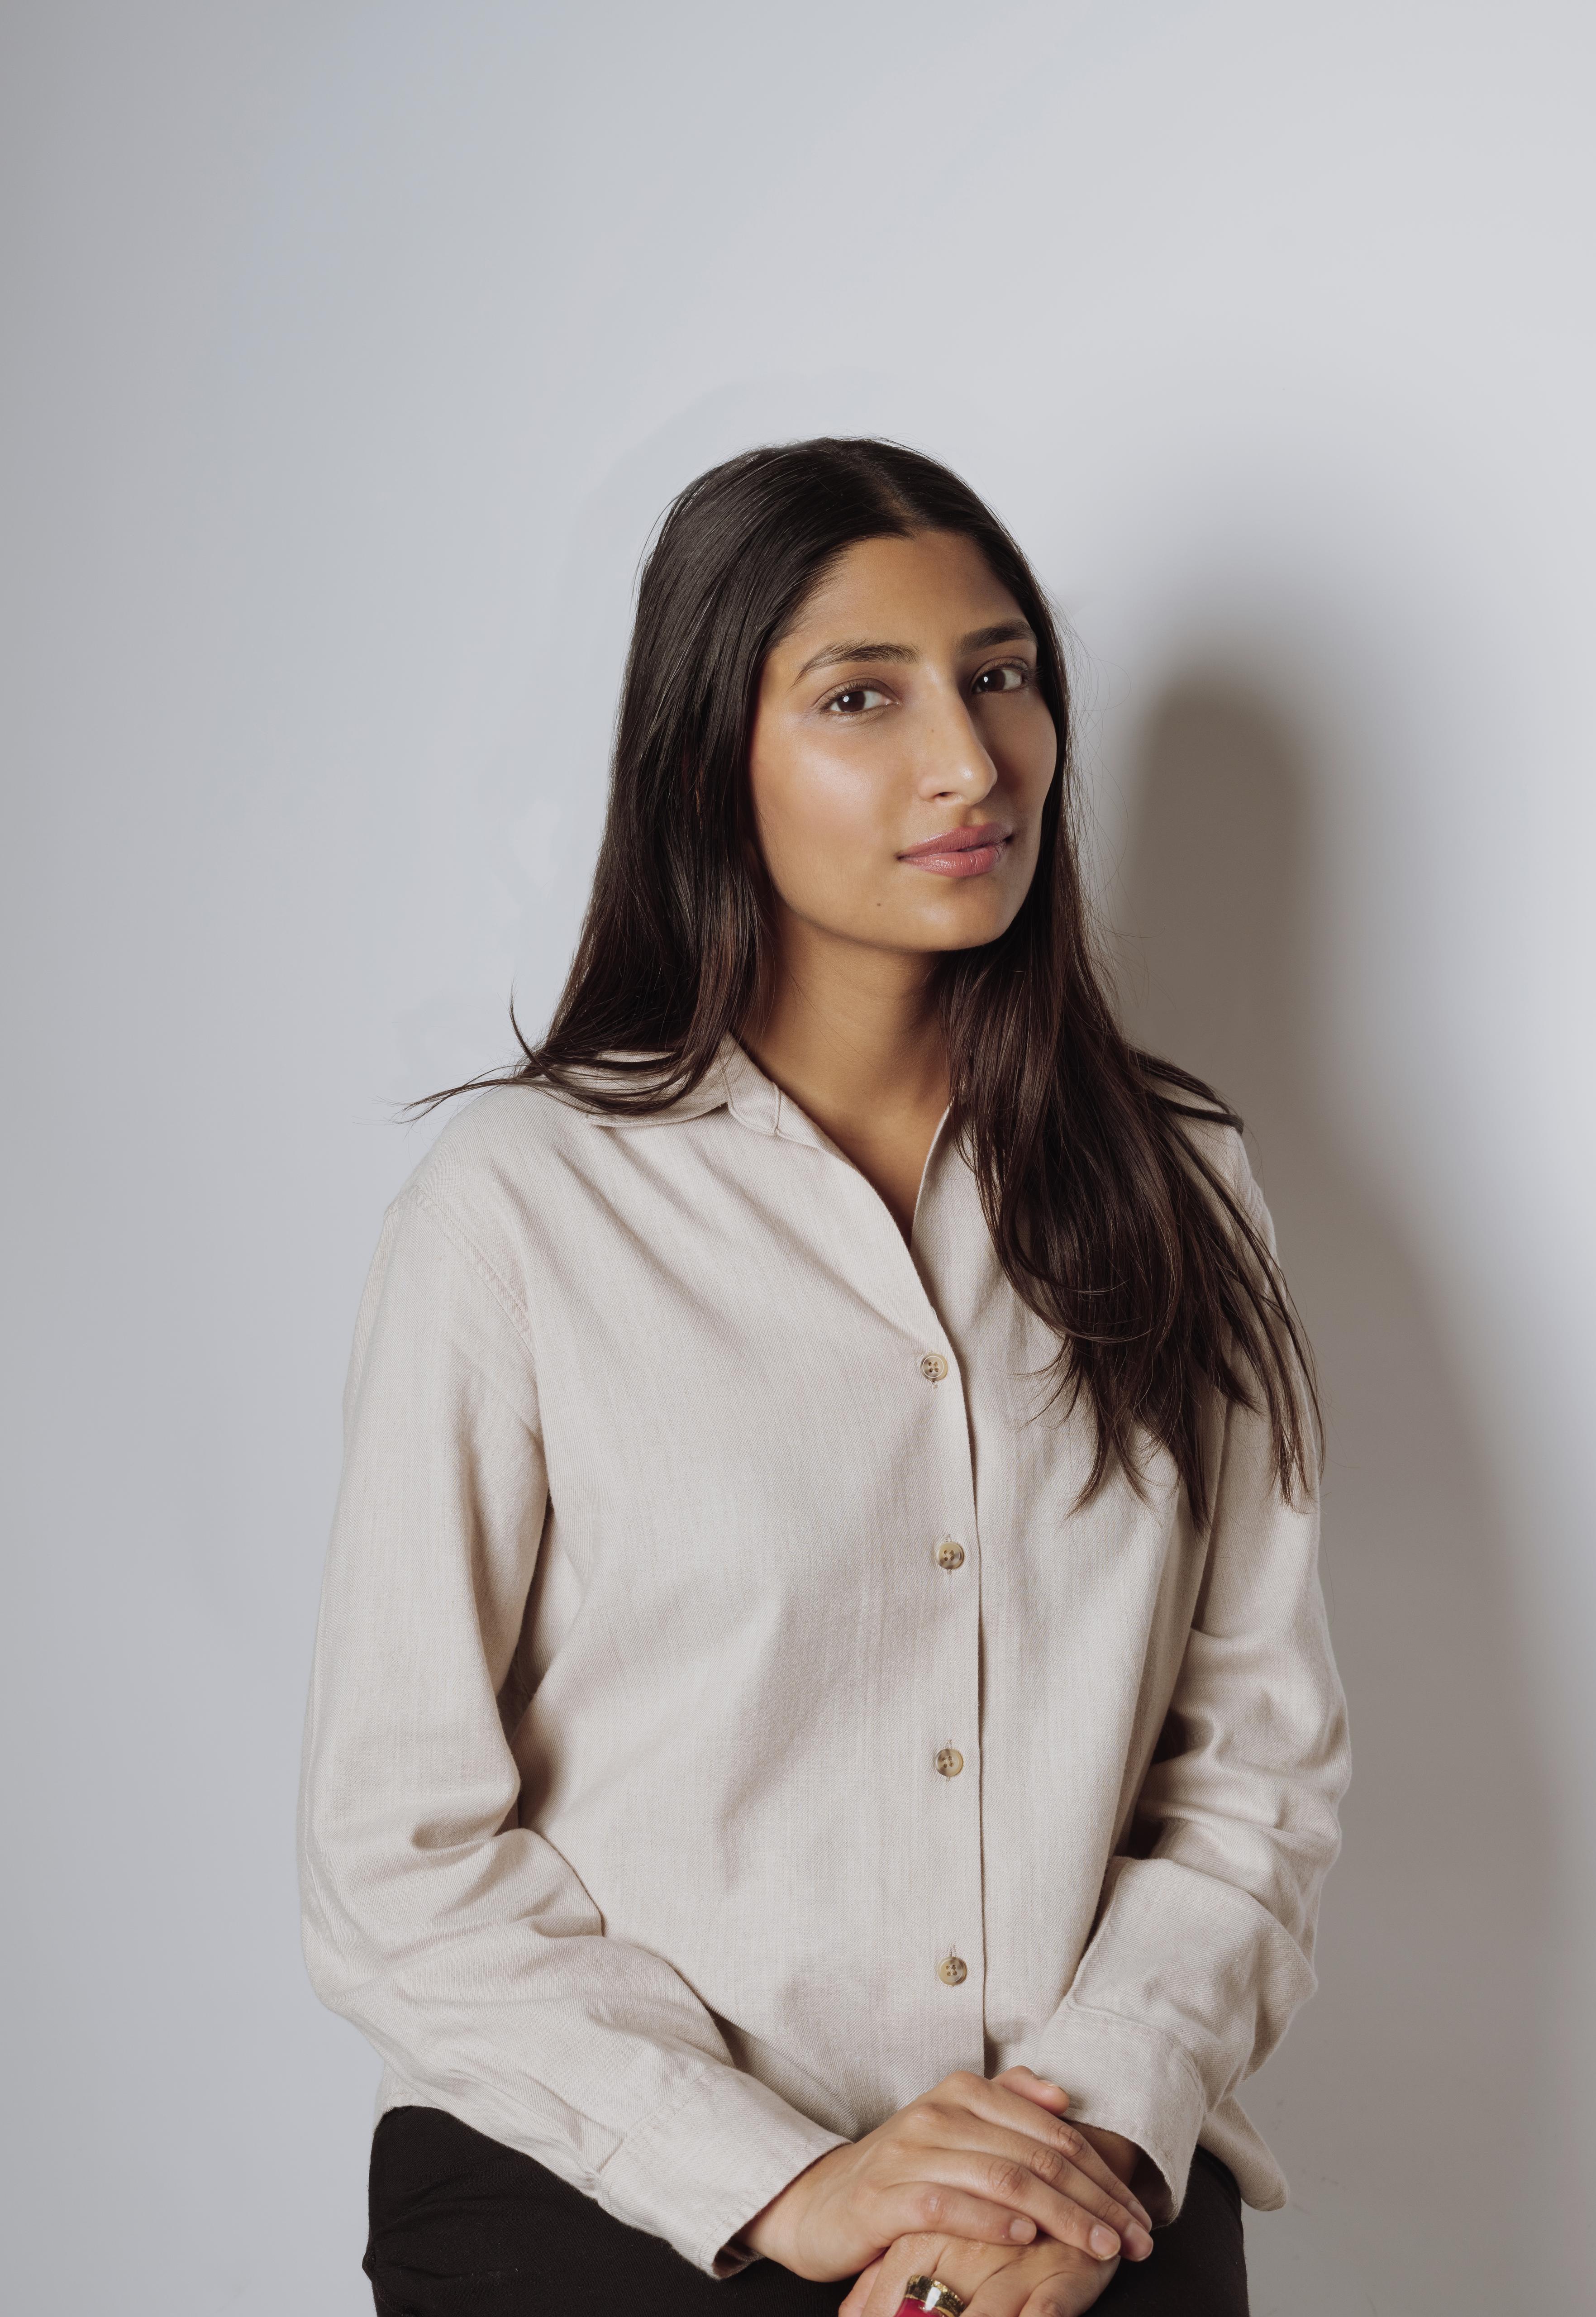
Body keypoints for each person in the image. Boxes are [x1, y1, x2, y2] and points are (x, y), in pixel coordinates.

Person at [296, 437, 1350, 2317]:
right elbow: (399, 1850)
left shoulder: (1181, 1178)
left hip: (1079, 2198)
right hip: (607, 2191)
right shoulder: (520, 1208)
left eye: (1003, 673)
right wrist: (795, 2182)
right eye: (863, 694)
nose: (970, 758)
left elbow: (1254, 1765)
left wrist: (1085, 2138)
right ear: (711, 758)